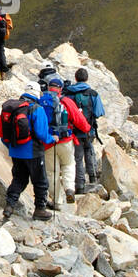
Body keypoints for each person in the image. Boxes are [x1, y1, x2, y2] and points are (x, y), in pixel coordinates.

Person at [0, 81, 53, 221]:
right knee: (40, 181)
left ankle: (9, 206)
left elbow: (3, 131)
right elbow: (41, 133)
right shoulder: (36, 108)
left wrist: (10, 145)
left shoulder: (13, 108)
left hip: (16, 151)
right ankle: (40, 209)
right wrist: (52, 138)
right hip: (33, 151)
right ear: (36, 92)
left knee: (19, 178)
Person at [41, 74, 90, 208]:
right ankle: (69, 188)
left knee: (52, 172)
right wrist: (87, 128)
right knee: (68, 164)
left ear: (49, 88)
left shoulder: (42, 101)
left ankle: (57, 202)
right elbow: (79, 119)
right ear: (61, 89)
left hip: (49, 142)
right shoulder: (66, 101)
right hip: (66, 140)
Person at [64, 68, 106, 193]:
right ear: (86, 78)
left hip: (74, 132)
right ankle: (93, 179)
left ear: (75, 78)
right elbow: (99, 112)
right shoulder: (93, 94)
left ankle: (80, 186)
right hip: (89, 130)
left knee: (77, 157)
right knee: (89, 151)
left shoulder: (68, 94)